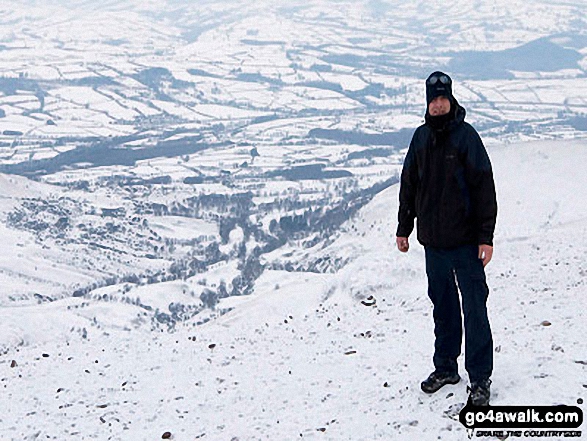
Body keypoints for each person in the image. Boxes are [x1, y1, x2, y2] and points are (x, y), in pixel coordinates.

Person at [395, 71, 497, 406]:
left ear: (451, 100)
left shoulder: (466, 137)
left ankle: (480, 379)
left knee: (474, 308)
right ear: (427, 103)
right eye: (433, 100)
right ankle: (446, 367)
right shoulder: (421, 138)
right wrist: (403, 227)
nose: (438, 105)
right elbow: (409, 184)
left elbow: (484, 188)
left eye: (443, 99)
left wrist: (485, 237)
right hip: (434, 243)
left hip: (466, 242)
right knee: (443, 305)